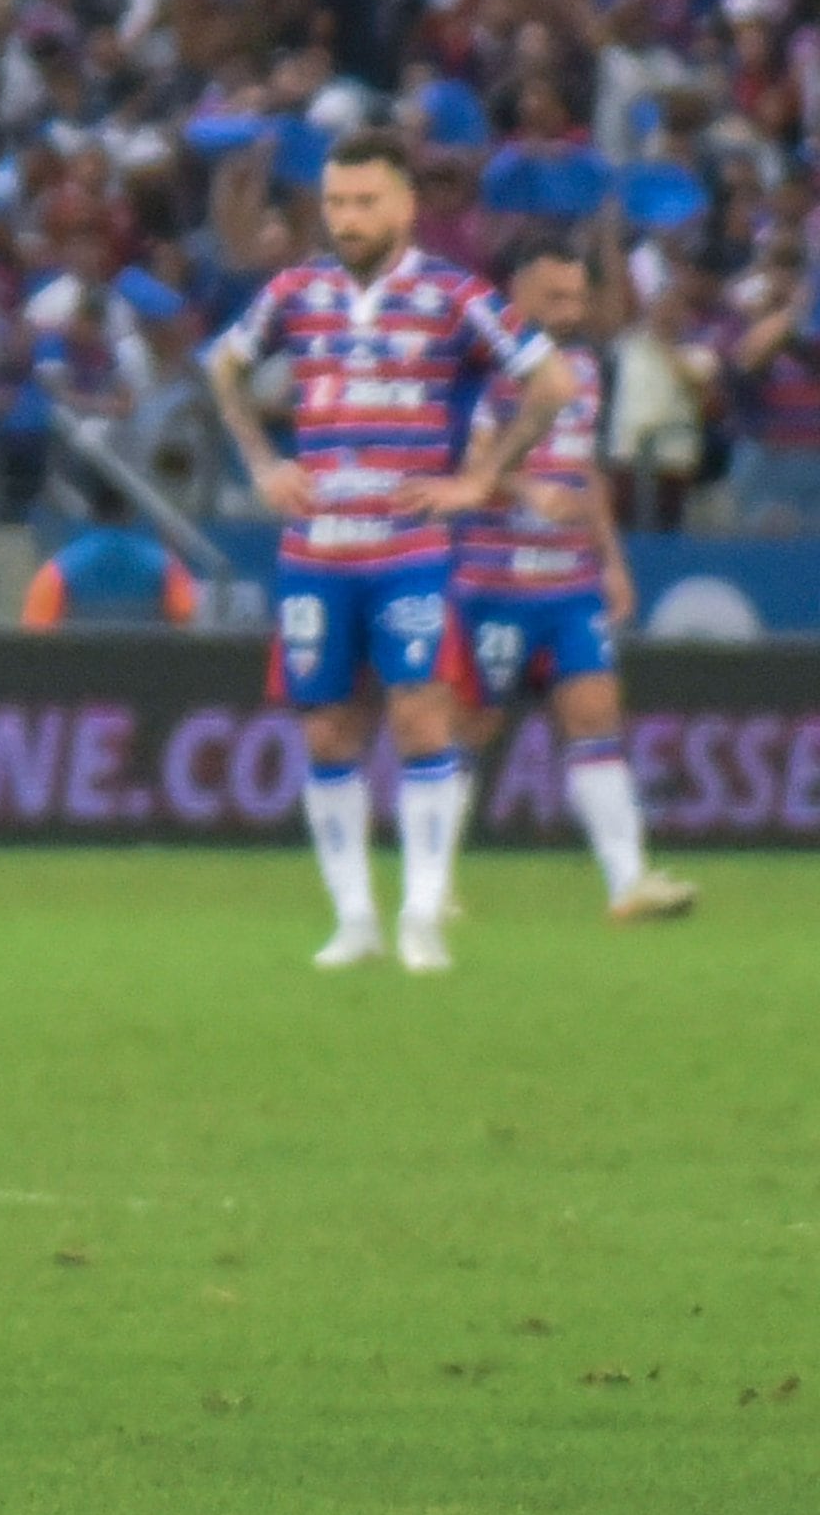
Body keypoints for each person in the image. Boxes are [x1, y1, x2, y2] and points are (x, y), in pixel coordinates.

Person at [203, 127, 576, 975]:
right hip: (314, 550)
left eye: (366, 201)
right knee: (328, 728)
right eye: (336, 201)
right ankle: (354, 919)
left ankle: (420, 913)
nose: (348, 217)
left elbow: (552, 381)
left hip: (407, 546)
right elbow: (222, 366)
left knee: (419, 711)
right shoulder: (297, 290)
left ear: (406, 205)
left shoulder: (453, 294)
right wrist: (264, 463)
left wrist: (480, 476)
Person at [454, 245, 693, 923]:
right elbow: (466, 465)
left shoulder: (584, 366)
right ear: (516, 293)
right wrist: (525, 487)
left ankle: (629, 882)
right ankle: (434, 882)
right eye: (556, 298)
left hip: (567, 584)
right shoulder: (480, 368)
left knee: (595, 717)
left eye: (577, 298)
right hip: (490, 579)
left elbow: (584, 471)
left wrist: (610, 560)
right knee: (472, 726)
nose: (571, 312)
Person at [19, 474, 199, 627]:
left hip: (78, 664)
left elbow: (37, 625)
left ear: (92, 514)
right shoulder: (163, 564)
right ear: (131, 514)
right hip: (145, 663)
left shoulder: (61, 566)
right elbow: (184, 615)